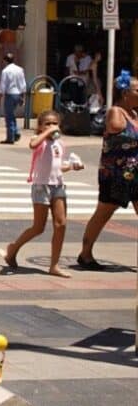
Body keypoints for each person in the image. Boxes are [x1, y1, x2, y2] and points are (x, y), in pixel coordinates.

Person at [2, 110, 84, 277]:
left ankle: (54, 265)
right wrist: (46, 132)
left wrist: (73, 166)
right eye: (47, 123)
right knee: (38, 227)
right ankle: (13, 248)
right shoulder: (38, 141)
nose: (52, 126)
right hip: (41, 186)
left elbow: (58, 166)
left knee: (61, 224)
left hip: (58, 185)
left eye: (55, 123)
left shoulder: (59, 144)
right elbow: (32, 145)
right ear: (39, 127)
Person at [76, 69, 138, 270]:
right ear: (126, 93)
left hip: (134, 174)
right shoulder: (115, 112)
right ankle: (85, 254)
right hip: (115, 175)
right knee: (103, 213)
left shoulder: (134, 114)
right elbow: (117, 131)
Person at [0, 51, 27, 144]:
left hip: (10, 95)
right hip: (18, 94)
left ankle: (10, 137)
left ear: (5, 61)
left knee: (9, 116)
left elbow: (2, 86)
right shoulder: (20, 69)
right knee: (12, 114)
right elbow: (23, 84)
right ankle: (15, 131)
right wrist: (23, 97)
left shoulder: (5, 71)